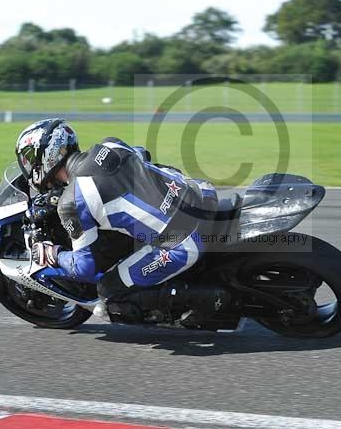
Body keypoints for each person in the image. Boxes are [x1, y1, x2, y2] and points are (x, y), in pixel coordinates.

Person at [15, 118, 218, 322]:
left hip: (184, 240)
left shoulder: (71, 203)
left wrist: (53, 254)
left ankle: (199, 304)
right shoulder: (110, 144)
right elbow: (141, 154)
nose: (28, 165)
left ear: (46, 156)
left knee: (107, 289)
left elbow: (84, 267)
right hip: (202, 193)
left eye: (29, 158)